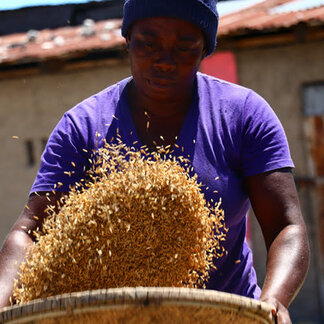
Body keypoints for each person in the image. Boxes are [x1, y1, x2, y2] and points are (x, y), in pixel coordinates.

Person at [0, 0, 309, 323]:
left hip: (224, 314)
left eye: (185, 47)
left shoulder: (243, 115)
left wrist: (274, 300)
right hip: (116, 317)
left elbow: (285, 226)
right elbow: (31, 233)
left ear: (205, 49)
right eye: (148, 44)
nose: (164, 61)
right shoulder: (84, 126)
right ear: (127, 41)